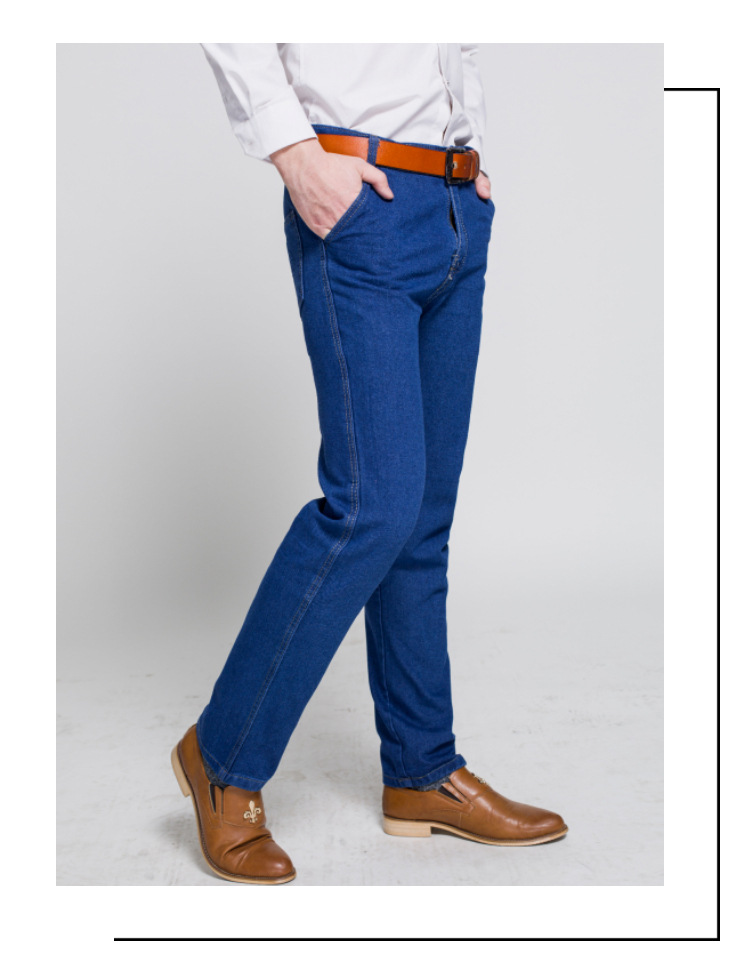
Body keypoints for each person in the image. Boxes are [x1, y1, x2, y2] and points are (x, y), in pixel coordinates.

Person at [171, 43, 567, 885]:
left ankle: (421, 770)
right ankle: (222, 757)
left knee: (422, 519)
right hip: (362, 202)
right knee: (370, 507)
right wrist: (296, 155)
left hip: (455, 206)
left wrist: (471, 153)